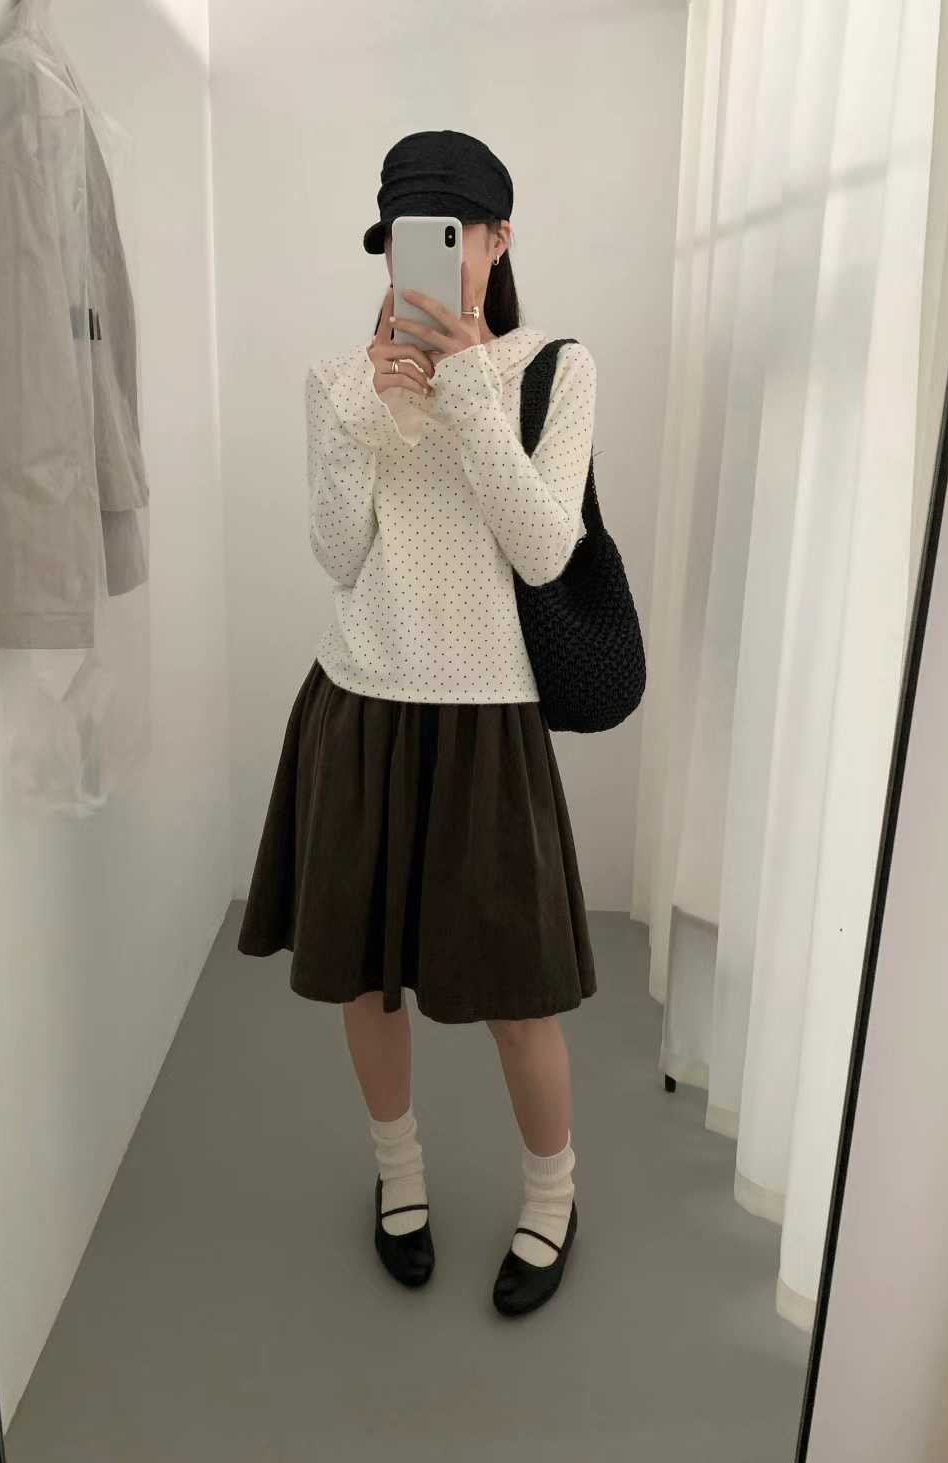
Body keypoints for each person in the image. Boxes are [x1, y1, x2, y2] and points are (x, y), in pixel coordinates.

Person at [237, 130, 597, 1316]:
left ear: (497, 238)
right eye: (404, 238)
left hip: (489, 724)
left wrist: (469, 391)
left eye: (450, 234)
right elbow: (341, 554)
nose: (424, 258)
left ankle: (553, 1192)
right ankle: (400, 1175)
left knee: (517, 999)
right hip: (362, 705)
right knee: (367, 981)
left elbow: (543, 550)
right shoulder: (340, 381)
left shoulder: (553, 370)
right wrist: (367, 413)